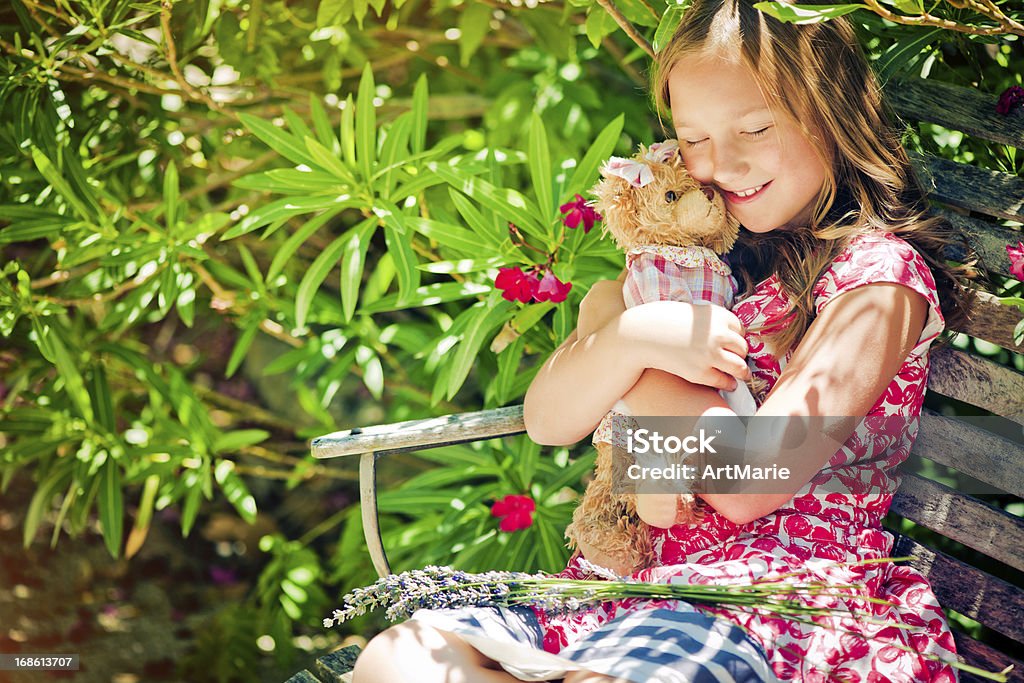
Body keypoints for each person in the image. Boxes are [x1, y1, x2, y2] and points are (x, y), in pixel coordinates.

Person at [352, 0, 974, 681]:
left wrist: (635, 350)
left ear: (832, 114)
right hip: (629, 587)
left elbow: (747, 482)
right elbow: (547, 421)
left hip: (764, 595)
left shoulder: (877, 282)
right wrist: (633, 336)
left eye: (755, 128)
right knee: (398, 657)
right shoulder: (698, 265)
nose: (721, 163)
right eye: (694, 139)